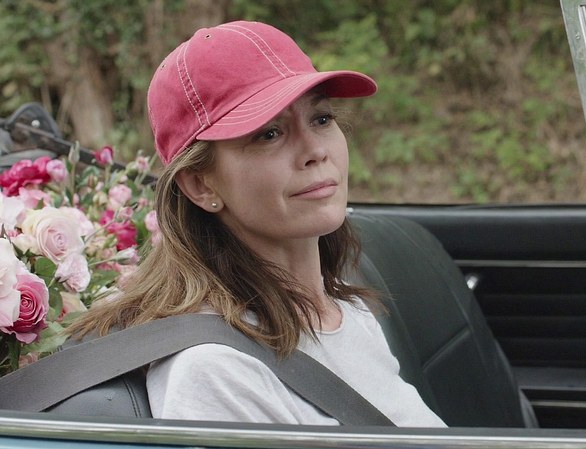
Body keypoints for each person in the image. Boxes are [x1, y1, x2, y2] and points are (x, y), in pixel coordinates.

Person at [69, 20, 445, 427]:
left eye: (321, 118)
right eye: (269, 133)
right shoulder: (215, 370)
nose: (315, 150)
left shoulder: (347, 311)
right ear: (200, 185)